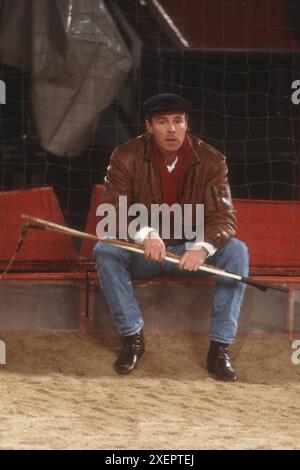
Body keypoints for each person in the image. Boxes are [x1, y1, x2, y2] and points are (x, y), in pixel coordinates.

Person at [93, 93, 249, 381]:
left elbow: (224, 218)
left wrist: (202, 248)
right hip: (146, 253)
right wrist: (145, 234)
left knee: (237, 251)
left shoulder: (212, 161)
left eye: (178, 121)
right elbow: (114, 210)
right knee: (105, 250)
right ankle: (132, 339)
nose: (172, 129)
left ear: (187, 124)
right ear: (149, 126)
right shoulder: (125, 156)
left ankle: (219, 349)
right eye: (163, 122)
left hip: (190, 249)